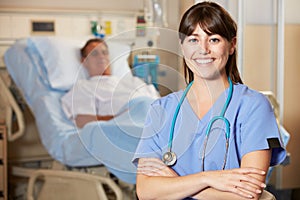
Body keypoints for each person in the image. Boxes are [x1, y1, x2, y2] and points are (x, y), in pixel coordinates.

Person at [132, 2, 286, 200]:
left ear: (232, 45)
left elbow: (248, 195)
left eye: (213, 39)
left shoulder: (253, 106)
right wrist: (207, 179)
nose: (203, 49)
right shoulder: (161, 109)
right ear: (182, 47)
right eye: (193, 40)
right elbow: (146, 191)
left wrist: (175, 182)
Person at [61, 38, 160, 128]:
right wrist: (122, 119)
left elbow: (161, 105)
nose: (101, 56)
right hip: (128, 127)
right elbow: (82, 120)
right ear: (84, 60)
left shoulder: (134, 81)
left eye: (105, 52)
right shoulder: (84, 87)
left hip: (157, 121)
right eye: (95, 54)